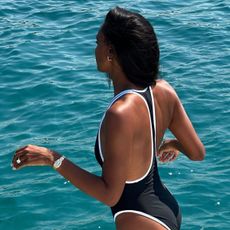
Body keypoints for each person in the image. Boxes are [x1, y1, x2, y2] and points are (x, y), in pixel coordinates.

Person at [12, 7, 205, 230]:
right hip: (166, 207)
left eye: (98, 42)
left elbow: (110, 195)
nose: (95, 50)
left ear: (111, 52)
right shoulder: (164, 90)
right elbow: (197, 152)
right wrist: (172, 144)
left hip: (140, 219)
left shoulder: (120, 113)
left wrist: (52, 158)